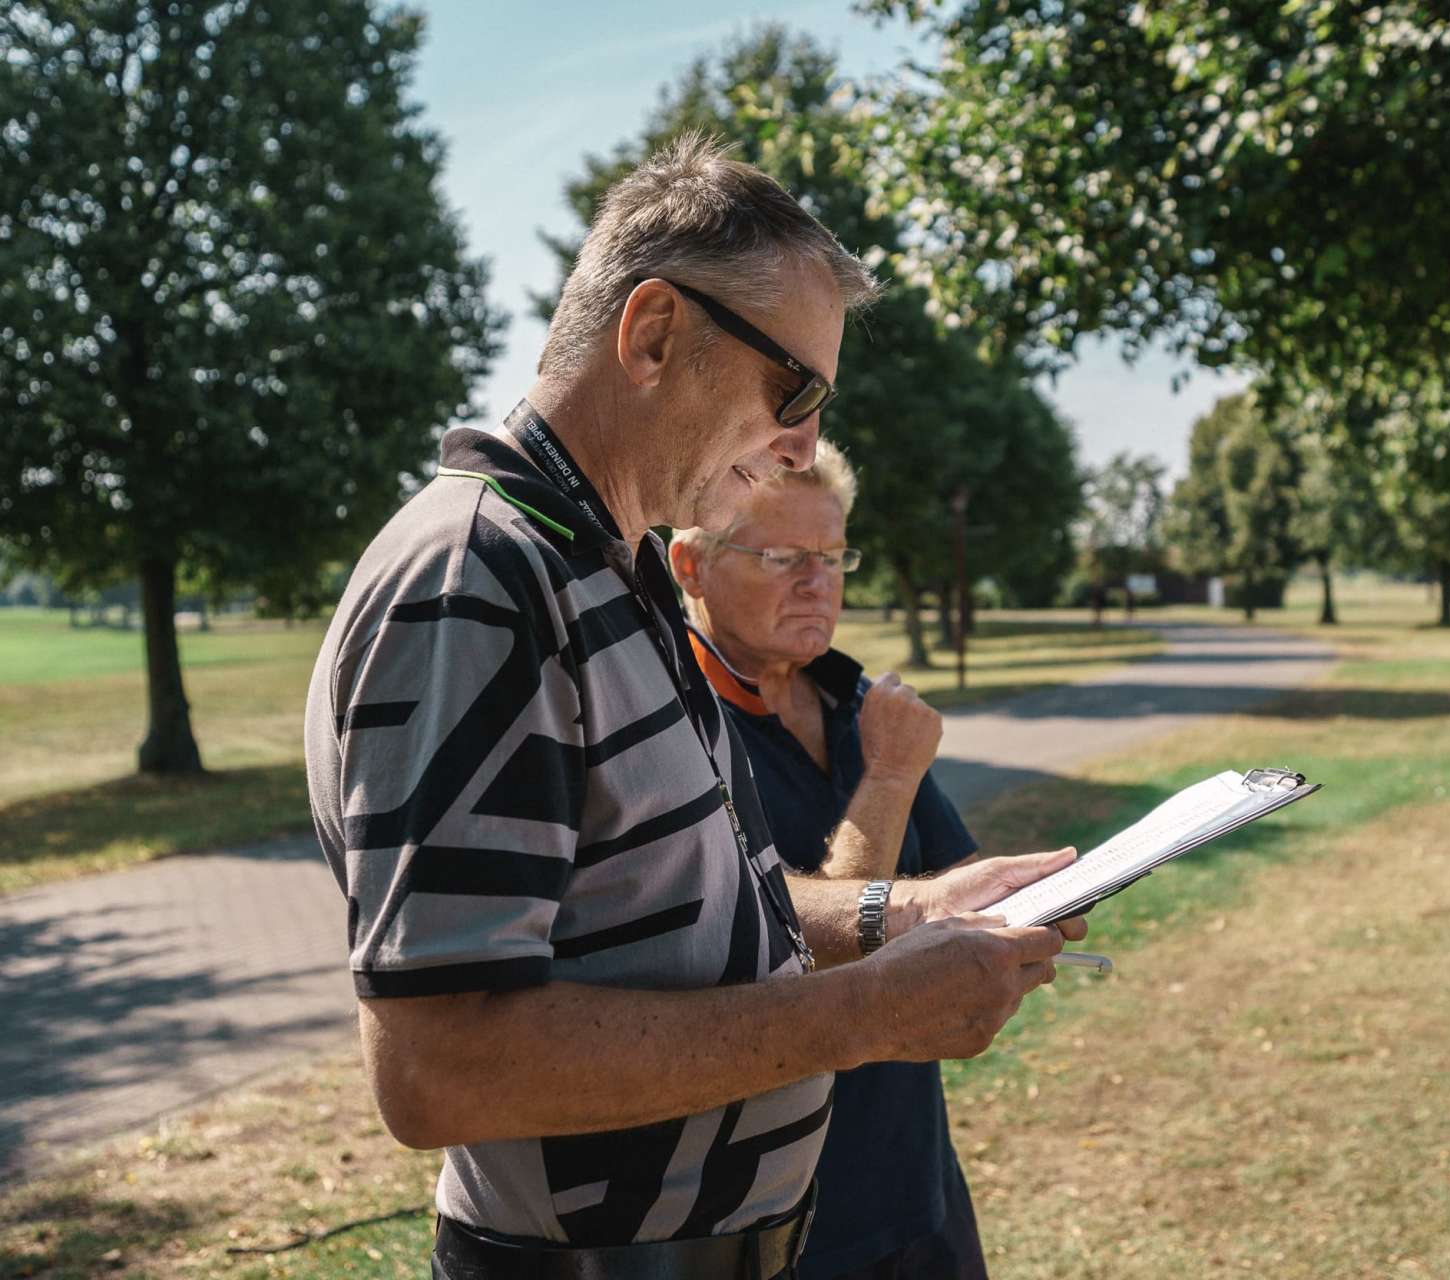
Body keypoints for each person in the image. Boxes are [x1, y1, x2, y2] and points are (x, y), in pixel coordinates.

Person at [303, 134, 1083, 1280]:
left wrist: (903, 911)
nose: (804, 442)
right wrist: (863, 1014)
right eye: (794, 389)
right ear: (655, 333)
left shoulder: (611, 572)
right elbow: (438, 1063)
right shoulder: (477, 578)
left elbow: (699, 915)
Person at [668, 441, 988, 1279]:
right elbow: (810, 952)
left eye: (834, 556)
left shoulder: (858, 703)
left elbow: (953, 878)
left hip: (915, 1182)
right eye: (783, 557)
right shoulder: (670, 731)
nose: (819, 583)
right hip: (778, 1222)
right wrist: (889, 779)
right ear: (692, 566)